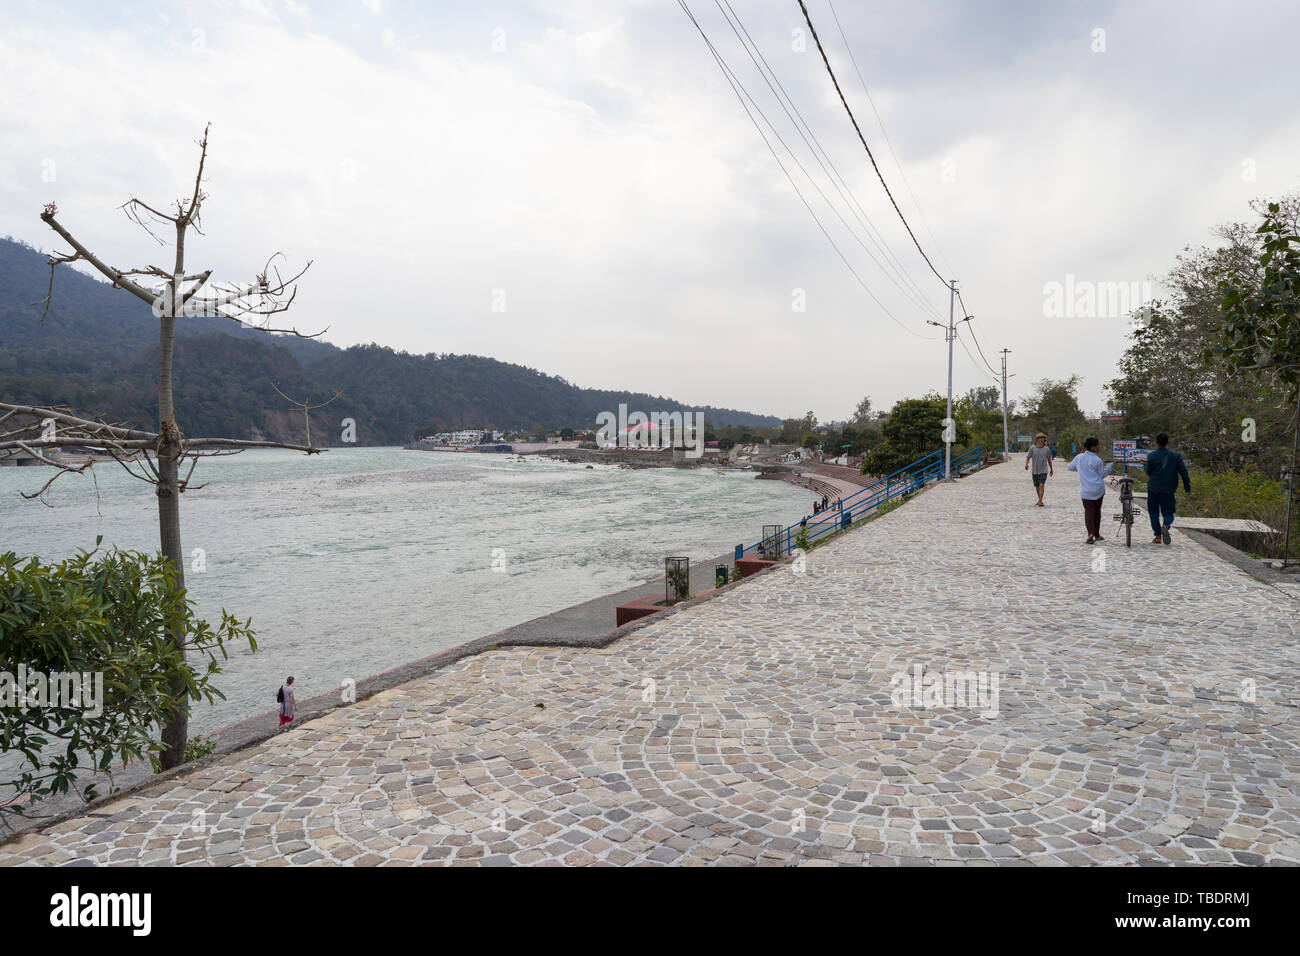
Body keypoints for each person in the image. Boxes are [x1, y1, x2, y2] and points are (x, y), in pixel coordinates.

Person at [1143, 432, 1191, 545]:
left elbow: (1149, 472)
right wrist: (1187, 485)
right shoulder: (1175, 455)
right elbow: (1183, 472)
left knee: (1153, 512)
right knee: (1168, 512)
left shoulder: (1151, 455)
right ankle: (1165, 525)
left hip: (1153, 487)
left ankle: (1158, 536)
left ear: (1156, 442)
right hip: (1168, 488)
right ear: (1167, 442)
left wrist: (1145, 465)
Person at [1067, 437, 1114, 544]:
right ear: (1093, 447)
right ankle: (1097, 534)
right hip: (1098, 490)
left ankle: (1090, 533)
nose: (1099, 447)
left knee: (1088, 512)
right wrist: (1110, 466)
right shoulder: (1097, 460)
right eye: (1098, 445)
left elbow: (1070, 467)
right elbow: (1102, 475)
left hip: (1086, 491)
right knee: (1097, 512)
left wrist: (1079, 469)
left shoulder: (1079, 458)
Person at [1025, 432, 1054, 506]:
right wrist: (1026, 464)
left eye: (1043, 438)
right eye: (1040, 438)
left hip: (1044, 470)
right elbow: (1028, 457)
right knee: (1037, 486)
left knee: (1042, 485)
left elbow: (1049, 459)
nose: (1042, 439)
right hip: (1035, 470)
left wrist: (1051, 469)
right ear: (1037, 439)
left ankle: (1040, 501)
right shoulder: (1032, 448)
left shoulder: (1047, 449)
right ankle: (1039, 499)